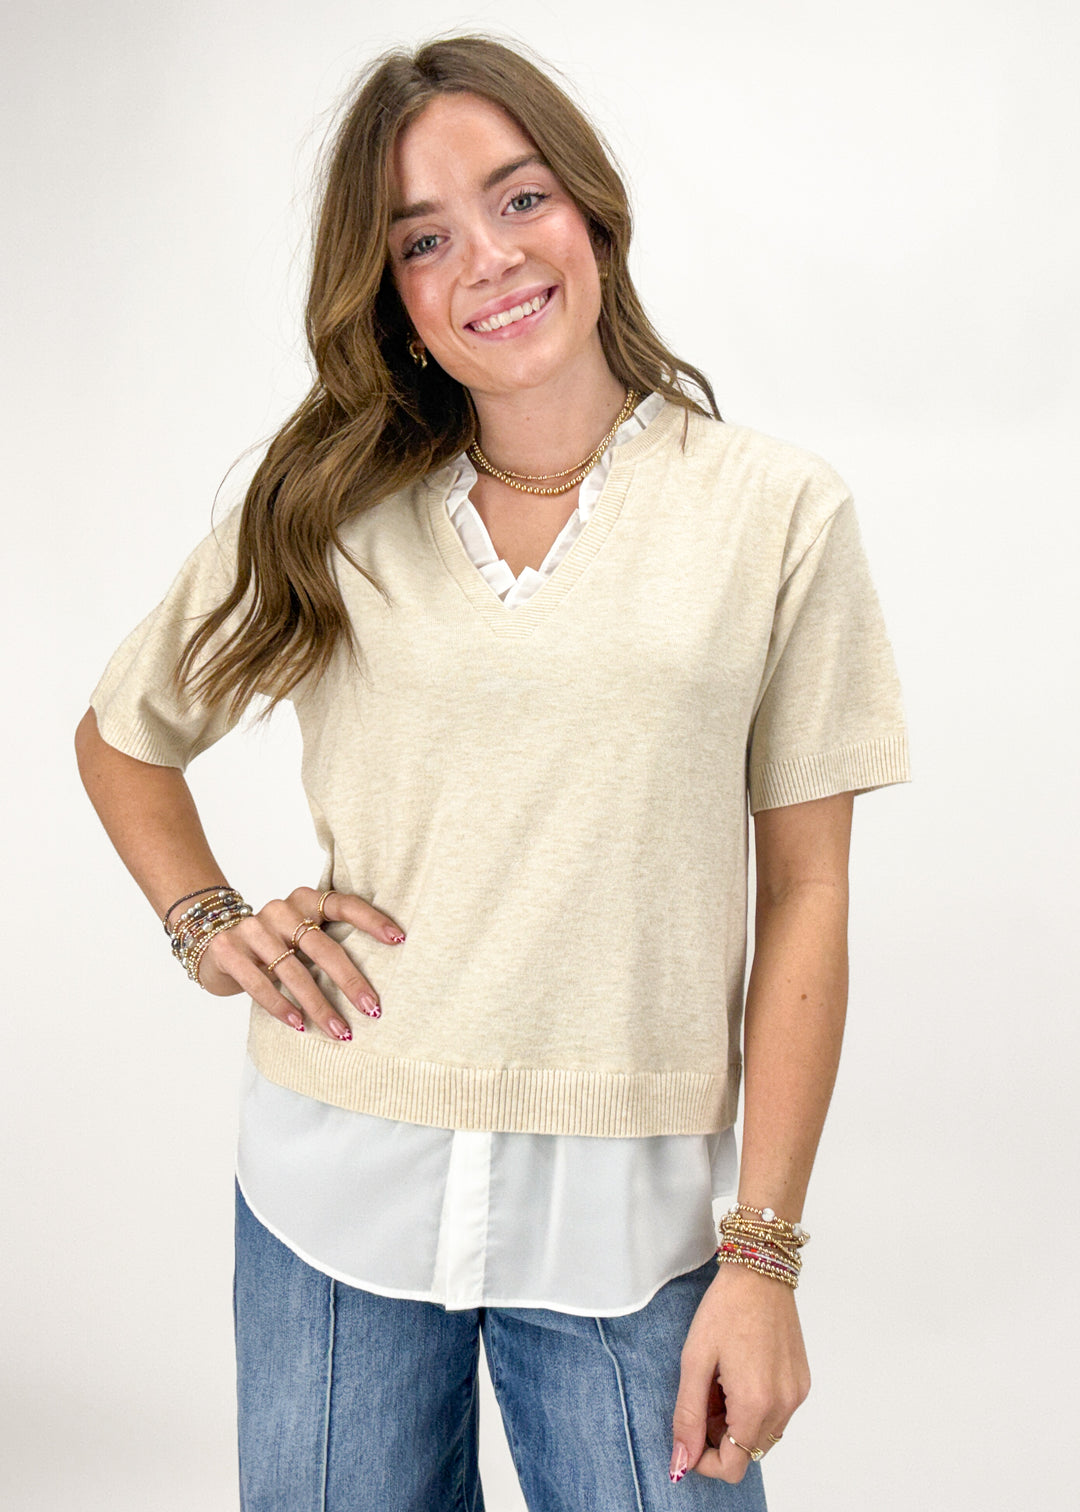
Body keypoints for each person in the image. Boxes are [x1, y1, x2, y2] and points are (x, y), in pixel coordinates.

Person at [75, 34, 910, 1512]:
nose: (489, 260)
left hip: (630, 1230)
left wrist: (764, 1255)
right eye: (423, 240)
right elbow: (125, 734)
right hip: (333, 1195)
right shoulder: (327, 504)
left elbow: (807, 891)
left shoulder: (774, 514)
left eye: (519, 199)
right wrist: (207, 923)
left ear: (589, 209)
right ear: (389, 294)